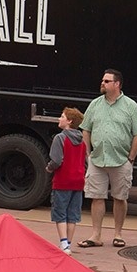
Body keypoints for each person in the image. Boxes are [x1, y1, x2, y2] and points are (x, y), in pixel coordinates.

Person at [80, 69, 137, 250]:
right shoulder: (94, 104)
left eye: (107, 81)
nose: (103, 83)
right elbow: (86, 129)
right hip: (97, 159)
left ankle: (118, 234)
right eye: (103, 80)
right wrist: (88, 154)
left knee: (120, 197)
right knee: (96, 196)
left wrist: (130, 158)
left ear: (117, 84)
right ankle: (96, 235)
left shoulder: (131, 106)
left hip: (121, 160)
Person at [46, 108, 87, 253]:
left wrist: (49, 168)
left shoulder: (60, 138)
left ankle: (63, 243)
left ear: (69, 121)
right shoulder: (82, 142)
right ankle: (68, 243)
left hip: (63, 181)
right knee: (73, 215)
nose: (59, 119)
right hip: (78, 182)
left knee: (60, 212)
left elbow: (56, 160)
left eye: (62, 116)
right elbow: (85, 162)